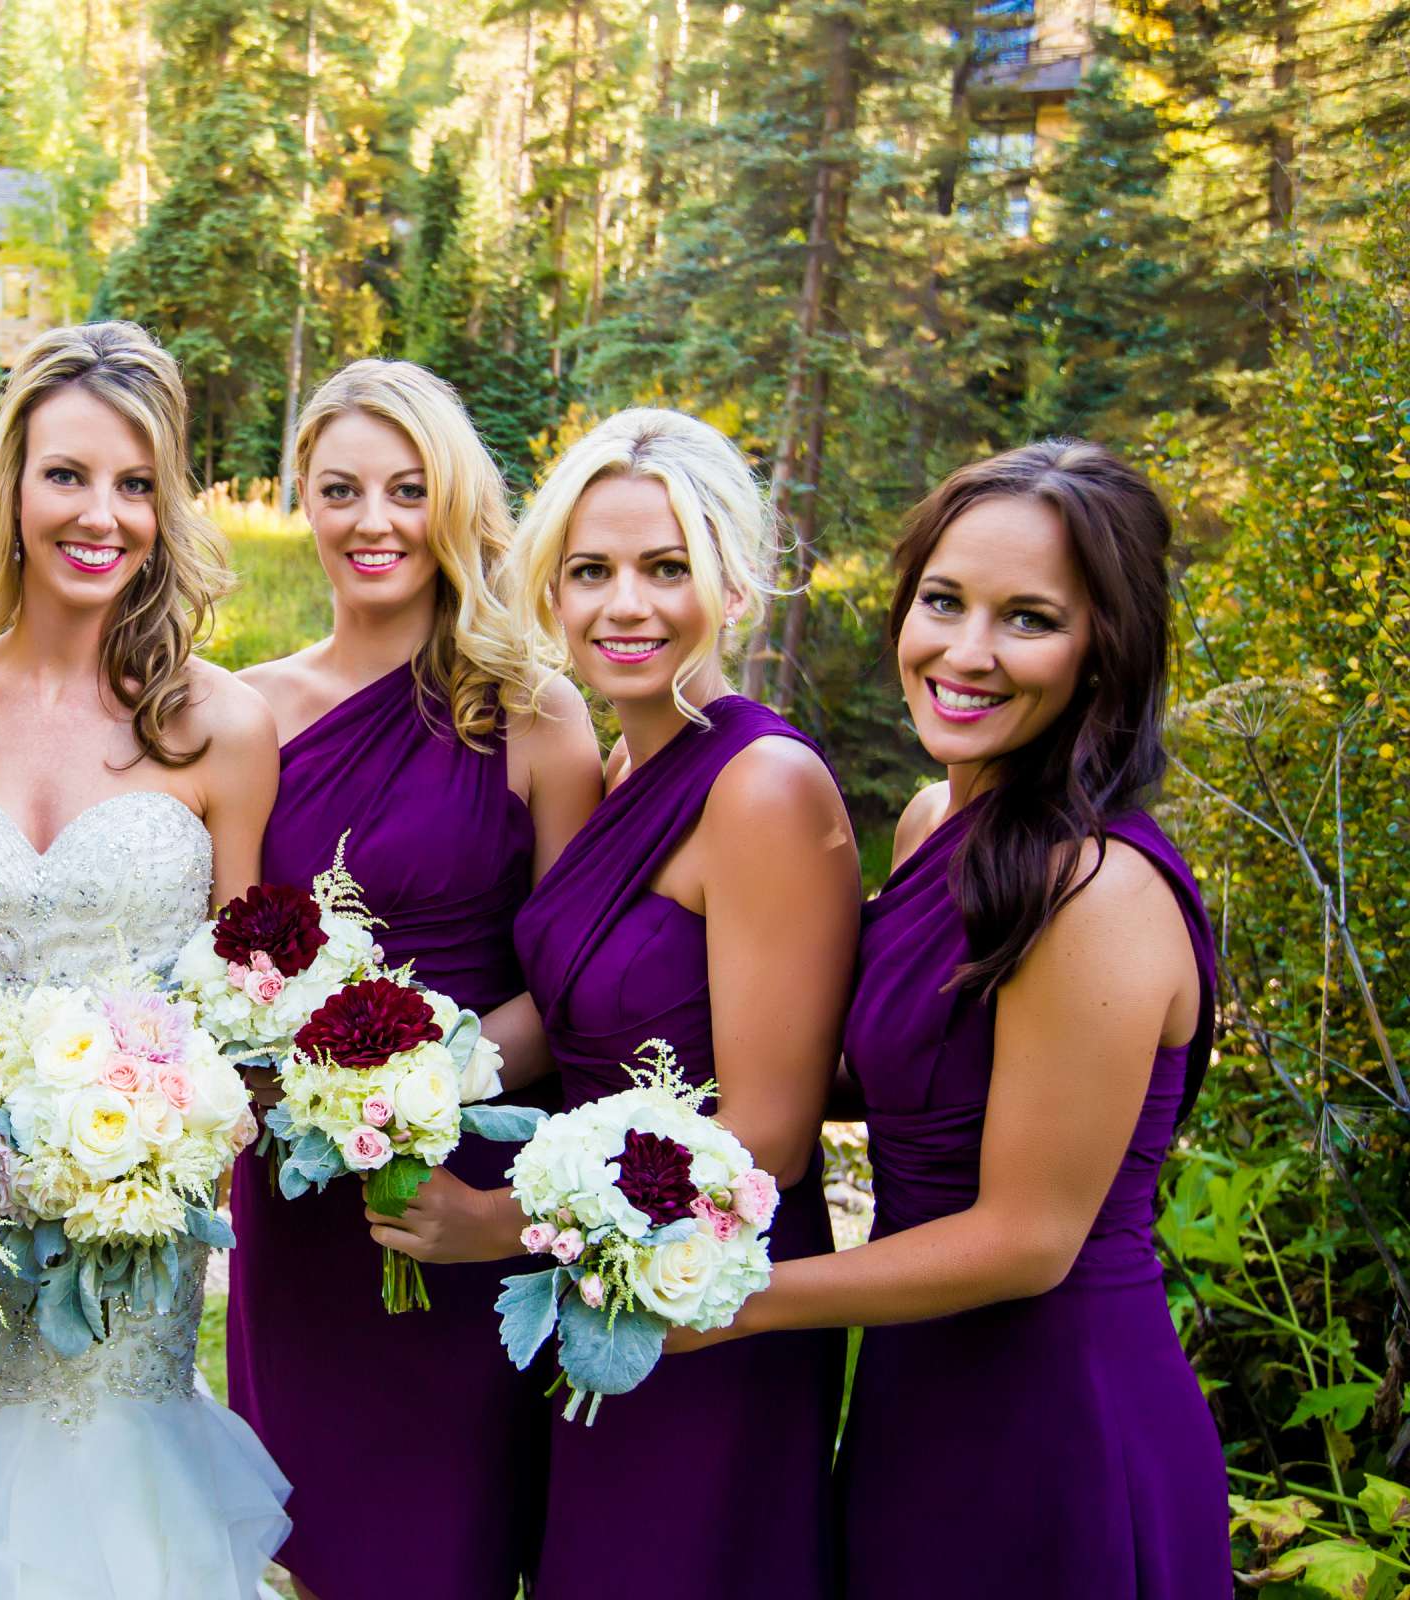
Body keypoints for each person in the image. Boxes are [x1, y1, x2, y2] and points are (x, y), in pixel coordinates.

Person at [664, 440, 1228, 1599]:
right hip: (921, 1393)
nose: (965, 654)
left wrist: (722, 1295)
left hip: (1055, 1415)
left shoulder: (1099, 890)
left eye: (1027, 619)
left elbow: (1026, 1238)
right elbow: (899, 1065)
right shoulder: (936, 821)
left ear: (1106, 648)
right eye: (942, 601)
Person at [0, 321, 288, 1600]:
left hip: (129, 1245)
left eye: (137, 484)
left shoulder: (224, 729)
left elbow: (240, 1014)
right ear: (14, 489)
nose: (103, 514)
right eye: (69, 475)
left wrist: (152, 1145)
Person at [385, 407, 860, 1598]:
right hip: (602, 1294)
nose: (625, 605)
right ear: (550, 590)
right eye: (590, 572)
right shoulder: (624, 770)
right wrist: (406, 1071)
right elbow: (580, 1001)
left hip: (708, 1305)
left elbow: (768, 1137)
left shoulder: (761, 786)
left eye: (667, 569)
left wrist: (505, 1225)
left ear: (734, 583)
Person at [227, 359, 600, 1600]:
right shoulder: (246, 714)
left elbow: (581, 979)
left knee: (444, 1548)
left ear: (453, 505)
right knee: (310, 1541)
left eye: (406, 489)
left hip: (464, 1184)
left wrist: (427, 1085)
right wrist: (313, 1099)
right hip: (299, 1195)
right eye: (340, 489)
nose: (371, 521)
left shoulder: (537, 715)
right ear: (304, 499)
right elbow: (224, 956)